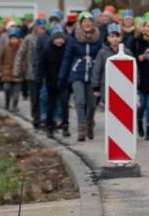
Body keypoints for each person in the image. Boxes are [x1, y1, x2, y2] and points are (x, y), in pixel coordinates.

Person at [60, 12, 103, 141]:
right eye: (84, 21)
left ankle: (89, 122)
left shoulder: (98, 40)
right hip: (77, 73)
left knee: (91, 104)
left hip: (92, 75)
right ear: (80, 24)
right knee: (79, 101)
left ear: (93, 23)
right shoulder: (74, 40)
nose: (87, 23)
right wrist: (62, 77)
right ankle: (81, 129)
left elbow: (102, 57)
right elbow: (67, 59)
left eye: (89, 21)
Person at [16, 18, 46, 128]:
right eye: (40, 27)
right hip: (31, 73)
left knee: (43, 97)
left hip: (44, 73)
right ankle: (36, 118)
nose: (42, 30)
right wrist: (17, 70)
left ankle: (44, 118)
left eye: (43, 28)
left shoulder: (47, 38)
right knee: (34, 97)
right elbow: (20, 54)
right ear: (35, 28)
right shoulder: (28, 39)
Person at [41, 27, 70, 138]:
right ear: (53, 39)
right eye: (57, 38)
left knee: (64, 104)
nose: (59, 41)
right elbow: (42, 65)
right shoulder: (47, 50)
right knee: (51, 105)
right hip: (51, 82)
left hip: (64, 82)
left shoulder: (67, 50)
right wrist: (42, 78)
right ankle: (50, 127)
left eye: (61, 38)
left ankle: (65, 126)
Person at [0, 27, 23, 111]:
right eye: (12, 38)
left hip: (18, 73)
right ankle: (7, 103)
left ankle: (15, 105)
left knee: (16, 92)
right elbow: (0, 59)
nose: (14, 40)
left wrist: (22, 70)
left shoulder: (22, 48)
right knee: (7, 88)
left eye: (15, 38)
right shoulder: (5, 47)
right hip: (6, 72)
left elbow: (24, 60)